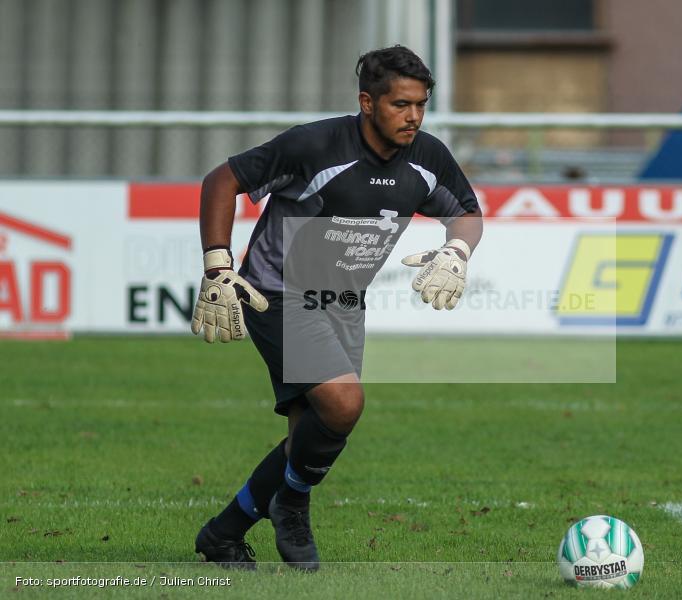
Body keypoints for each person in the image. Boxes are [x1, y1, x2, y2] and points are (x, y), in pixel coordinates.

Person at [189, 45, 483, 570]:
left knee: (312, 431)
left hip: (346, 301)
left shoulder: (428, 155)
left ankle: (223, 534)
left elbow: (465, 212)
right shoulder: (316, 144)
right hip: (277, 292)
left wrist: (458, 250)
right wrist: (217, 266)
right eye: (400, 105)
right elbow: (222, 180)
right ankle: (293, 507)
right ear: (367, 103)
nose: (413, 116)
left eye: (421, 104)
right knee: (344, 404)